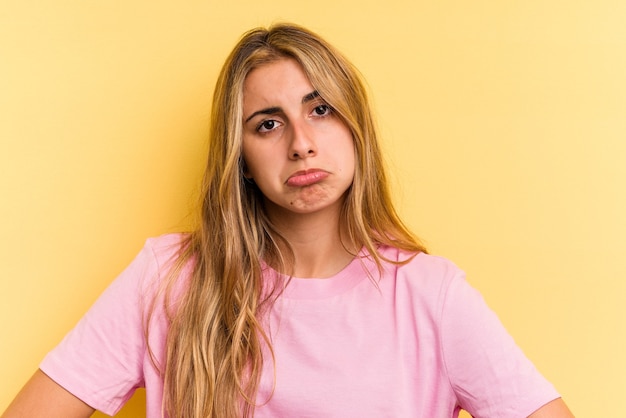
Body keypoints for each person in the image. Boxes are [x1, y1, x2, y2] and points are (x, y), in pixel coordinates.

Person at [2, 23, 573, 418]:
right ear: (241, 157)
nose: (301, 143)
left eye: (320, 110)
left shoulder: (431, 296)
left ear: (356, 129)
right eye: (267, 124)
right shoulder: (168, 278)